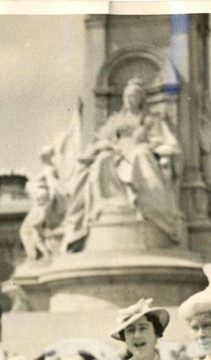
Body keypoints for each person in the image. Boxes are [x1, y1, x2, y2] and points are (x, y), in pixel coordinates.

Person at [62, 77, 182, 250]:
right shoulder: (116, 119)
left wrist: (148, 143)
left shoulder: (149, 120)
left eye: (134, 96)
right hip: (116, 152)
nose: (129, 99)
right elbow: (102, 138)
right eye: (127, 96)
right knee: (103, 159)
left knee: (141, 156)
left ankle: (151, 206)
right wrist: (106, 145)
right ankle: (109, 203)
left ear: (141, 99)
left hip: (140, 150)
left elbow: (160, 140)